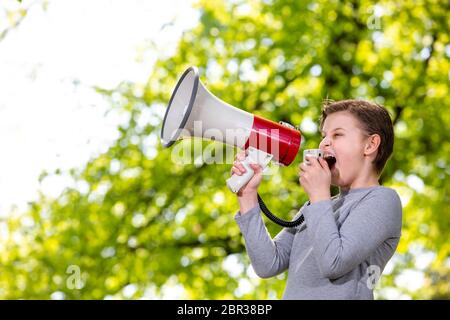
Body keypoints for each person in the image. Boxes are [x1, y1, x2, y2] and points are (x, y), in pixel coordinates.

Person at [231, 99, 402, 299]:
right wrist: (248, 196)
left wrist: (320, 195)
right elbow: (268, 264)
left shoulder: (383, 200)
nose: (324, 143)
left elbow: (334, 262)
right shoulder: (317, 205)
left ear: (370, 144)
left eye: (337, 134)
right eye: (324, 136)